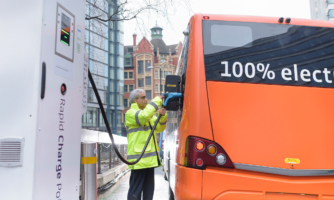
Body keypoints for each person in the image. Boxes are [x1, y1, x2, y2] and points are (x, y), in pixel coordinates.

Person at [125, 89, 167, 200]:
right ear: (135, 100)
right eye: (143, 98)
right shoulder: (130, 113)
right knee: (135, 194)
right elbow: (143, 116)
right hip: (138, 161)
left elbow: (159, 128)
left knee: (149, 193)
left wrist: (162, 116)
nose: (146, 99)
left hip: (148, 160)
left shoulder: (148, 115)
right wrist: (157, 100)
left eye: (145, 97)